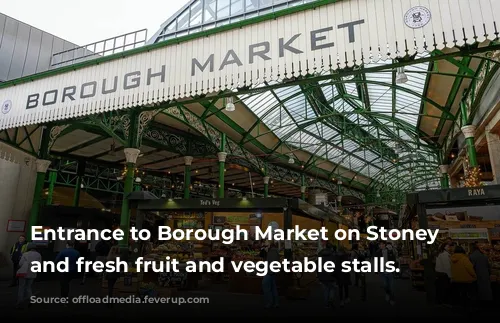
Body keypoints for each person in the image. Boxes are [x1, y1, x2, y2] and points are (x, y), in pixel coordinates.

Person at [15, 243, 41, 308]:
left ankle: (20, 302)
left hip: (24, 272)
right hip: (32, 272)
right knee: (28, 287)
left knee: (21, 287)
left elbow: (20, 263)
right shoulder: (38, 255)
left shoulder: (25, 254)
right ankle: (29, 302)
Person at [55, 241, 80, 307]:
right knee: (67, 284)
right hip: (72, 271)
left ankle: (64, 300)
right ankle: (64, 298)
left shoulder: (63, 252)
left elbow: (56, 260)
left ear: (67, 245)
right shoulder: (77, 252)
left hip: (63, 271)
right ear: (73, 245)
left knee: (64, 285)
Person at [376, 241, 397, 305]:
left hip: (390, 270)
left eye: (382, 244)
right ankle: (387, 293)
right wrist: (376, 270)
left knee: (391, 286)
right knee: (385, 285)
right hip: (382, 271)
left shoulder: (390, 251)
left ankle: (392, 299)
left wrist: (395, 269)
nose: (381, 245)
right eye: (380, 244)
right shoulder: (378, 252)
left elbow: (394, 260)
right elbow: (377, 261)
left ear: (385, 245)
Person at [318, 243, 337, 308]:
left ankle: (326, 304)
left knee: (326, 290)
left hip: (322, 276)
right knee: (332, 288)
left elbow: (317, 267)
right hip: (331, 275)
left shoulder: (320, 255)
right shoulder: (333, 256)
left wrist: (318, 275)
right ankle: (331, 300)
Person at [262, 242, 280, 309]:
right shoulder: (276, 251)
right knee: (273, 287)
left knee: (266, 286)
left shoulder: (272, 252)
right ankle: (276, 303)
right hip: (273, 272)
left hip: (270, 272)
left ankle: (270, 302)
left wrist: (269, 271)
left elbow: (271, 262)